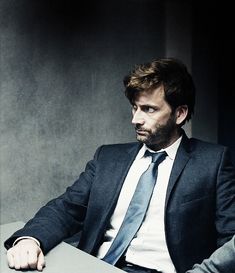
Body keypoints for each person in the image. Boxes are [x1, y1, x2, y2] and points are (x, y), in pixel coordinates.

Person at [4, 58, 235, 273]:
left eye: (149, 109)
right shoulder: (108, 157)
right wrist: (29, 239)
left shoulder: (213, 162)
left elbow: (230, 241)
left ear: (180, 113)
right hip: (96, 266)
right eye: (135, 107)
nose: (136, 119)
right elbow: (66, 208)